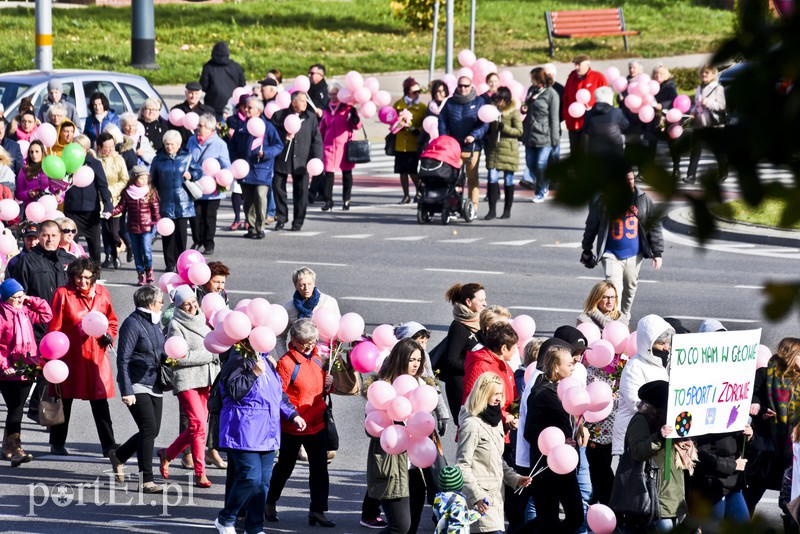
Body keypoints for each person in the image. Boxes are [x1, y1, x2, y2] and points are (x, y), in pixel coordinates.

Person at [214, 331, 305, 534]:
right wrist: (253, 373)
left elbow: (278, 395)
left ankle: (254, 527)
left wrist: (292, 415)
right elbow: (234, 392)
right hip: (243, 432)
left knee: (263, 484)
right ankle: (226, 519)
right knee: (250, 477)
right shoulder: (237, 360)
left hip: (267, 433)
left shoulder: (267, 362)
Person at [264, 319, 335, 526]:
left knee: (320, 468)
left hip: (317, 422)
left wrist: (328, 385)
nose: (310, 346)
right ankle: (270, 501)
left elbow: (320, 391)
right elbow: (280, 395)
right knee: (285, 467)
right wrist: (293, 416)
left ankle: (318, 510)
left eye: (313, 341)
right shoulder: (286, 363)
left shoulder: (318, 359)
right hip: (293, 425)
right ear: (294, 341)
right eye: (305, 342)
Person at [47, 257, 118, 457]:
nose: (83, 282)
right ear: (73, 276)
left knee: (100, 402)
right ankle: (57, 442)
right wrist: (51, 357)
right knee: (63, 400)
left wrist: (109, 336)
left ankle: (109, 445)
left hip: (95, 357)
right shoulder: (63, 294)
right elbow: (54, 328)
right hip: (69, 356)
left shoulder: (102, 293)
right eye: (79, 277)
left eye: (87, 277)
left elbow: (112, 321)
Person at [581, 169, 664, 321]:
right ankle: (614, 322)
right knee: (614, 289)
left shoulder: (643, 199)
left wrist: (657, 252)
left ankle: (624, 317)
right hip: (611, 254)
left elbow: (654, 225)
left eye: (630, 179)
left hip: (635, 254)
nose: (628, 183)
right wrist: (587, 248)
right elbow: (591, 225)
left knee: (630, 289)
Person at [158, 285, 219, 489]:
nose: (193, 306)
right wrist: (210, 355)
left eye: (194, 301)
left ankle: (167, 454)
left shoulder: (204, 318)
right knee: (199, 426)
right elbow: (177, 356)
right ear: (179, 306)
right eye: (187, 304)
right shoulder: (176, 324)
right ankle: (200, 473)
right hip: (186, 380)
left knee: (196, 426)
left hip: (206, 378)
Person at [523, 339, 585, 533]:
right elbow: (530, 432)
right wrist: (556, 443)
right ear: (556, 367)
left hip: (566, 465)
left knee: (576, 516)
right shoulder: (541, 393)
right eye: (569, 364)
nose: (574, 366)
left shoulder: (564, 389)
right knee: (547, 520)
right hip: (546, 467)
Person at [457, 372, 531, 532]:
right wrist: (476, 496)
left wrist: (515, 478)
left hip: (496, 498)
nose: (499, 398)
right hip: (481, 502)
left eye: (500, 393)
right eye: (495, 393)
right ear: (484, 393)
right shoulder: (471, 425)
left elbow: (497, 459)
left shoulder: (496, 421)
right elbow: (462, 466)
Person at [365, 338, 425, 534]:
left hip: (416, 466)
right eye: (411, 360)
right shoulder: (383, 388)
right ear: (400, 359)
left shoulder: (420, 385)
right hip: (391, 466)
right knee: (400, 527)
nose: (416, 364)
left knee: (411, 528)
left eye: (418, 359)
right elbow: (370, 427)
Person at [111, 285, 166, 493]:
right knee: (148, 429)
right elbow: (123, 359)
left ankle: (119, 456)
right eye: (160, 301)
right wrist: (127, 390)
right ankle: (146, 480)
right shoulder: (132, 324)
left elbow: (159, 350)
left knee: (152, 430)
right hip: (136, 382)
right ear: (151, 303)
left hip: (154, 383)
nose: (163, 304)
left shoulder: (156, 322)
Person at [622, 380, 692, 531]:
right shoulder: (642, 420)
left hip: (673, 494)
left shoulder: (670, 420)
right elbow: (638, 451)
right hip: (655, 495)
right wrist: (659, 437)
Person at [0, 278, 53, 466]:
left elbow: (46, 315)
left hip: (28, 367)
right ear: (6, 299)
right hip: (8, 371)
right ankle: (15, 449)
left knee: (17, 408)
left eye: (22, 297)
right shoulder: (1, 316)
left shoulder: (25, 310)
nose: (20, 301)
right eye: (16, 298)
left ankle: (7, 446)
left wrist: (30, 299)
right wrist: (4, 366)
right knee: (15, 408)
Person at [745, 337, 800, 511]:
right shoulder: (765, 373)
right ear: (790, 355)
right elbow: (749, 393)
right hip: (768, 446)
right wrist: (760, 408)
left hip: (791, 448)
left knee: (791, 498)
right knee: (752, 493)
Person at [611, 314, 674, 457]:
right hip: (634, 434)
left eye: (667, 343)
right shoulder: (635, 366)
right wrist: (665, 413)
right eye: (661, 344)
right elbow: (636, 403)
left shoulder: (666, 363)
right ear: (648, 344)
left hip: (656, 433)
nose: (666, 348)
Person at [150, 129, 203, 272]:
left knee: (181, 236)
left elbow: (199, 172)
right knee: (167, 235)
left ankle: (181, 263)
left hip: (183, 203)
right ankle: (169, 263)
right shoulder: (158, 159)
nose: (169, 147)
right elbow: (152, 179)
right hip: (165, 202)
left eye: (172, 144)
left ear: (179, 145)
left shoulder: (187, 157)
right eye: (167, 144)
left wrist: (191, 175)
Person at [272, 91, 323, 232]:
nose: (305, 103)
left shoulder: (311, 118)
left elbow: (316, 140)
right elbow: (272, 134)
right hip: (282, 158)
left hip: (302, 160)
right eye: (302, 101)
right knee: (278, 188)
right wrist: (284, 135)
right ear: (293, 102)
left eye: (305, 101)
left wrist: (317, 158)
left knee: (301, 192)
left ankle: (298, 221)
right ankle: (281, 217)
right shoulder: (279, 115)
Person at [435, 282, 486, 420]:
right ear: (468, 302)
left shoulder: (478, 322)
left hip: (476, 384)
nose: (485, 304)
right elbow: (451, 361)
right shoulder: (458, 327)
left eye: (485, 299)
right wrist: (476, 364)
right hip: (461, 388)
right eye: (481, 300)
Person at [438, 76, 489, 211]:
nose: (463, 88)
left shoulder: (479, 102)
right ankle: (455, 205)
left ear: (471, 86)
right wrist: (443, 137)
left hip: (472, 147)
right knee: (455, 179)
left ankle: (473, 206)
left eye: (466, 86)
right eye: (460, 86)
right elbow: (442, 120)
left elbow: (484, 124)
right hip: (454, 148)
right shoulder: (450, 102)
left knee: (472, 177)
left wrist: (474, 135)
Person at [237, 98, 283, 239]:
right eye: (246, 107)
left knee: (260, 197)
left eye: (250, 107)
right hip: (246, 169)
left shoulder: (267, 127)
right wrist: (236, 161)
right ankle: (251, 227)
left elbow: (278, 145)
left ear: (258, 110)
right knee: (248, 201)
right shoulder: (242, 127)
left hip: (262, 168)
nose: (246, 110)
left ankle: (260, 227)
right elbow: (234, 146)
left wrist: (266, 153)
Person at [461, 322, 519, 434]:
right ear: (504, 348)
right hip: (483, 432)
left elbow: (511, 397)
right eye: (514, 347)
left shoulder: (503, 365)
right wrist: (505, 417)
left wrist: (515, 413)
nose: (516, 351)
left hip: (498, 428)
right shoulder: (480, 367)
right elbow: (476, 402)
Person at [63, 134, 113, 263]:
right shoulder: (67, 163)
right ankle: (71, 270)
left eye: (79, 148)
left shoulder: (95, 164)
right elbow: (61, 183)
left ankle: (95, 272)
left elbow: (103, 186)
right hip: (72, 209)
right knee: (71, 243)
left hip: (90, 211)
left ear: (86, 149)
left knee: (94, 244)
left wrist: (108, 206)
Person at [693, 425, 753, 530]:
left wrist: (749, 437)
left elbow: (747, 452)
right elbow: (701, 455)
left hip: (734, 485)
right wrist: (733, 465)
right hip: (712, 486)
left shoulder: (736, 416)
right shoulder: (707, 420)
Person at [187, 113, 231, 255]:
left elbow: (226, 166)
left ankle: (208, 243)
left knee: (209, 216)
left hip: (213, 188)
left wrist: (223, 180)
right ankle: (197, 240)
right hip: (195, 186)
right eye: (198, 125)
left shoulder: (220, 144)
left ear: (210, 128)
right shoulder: (191, 141)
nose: (198, 128)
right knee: (195, 216)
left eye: (201, 126)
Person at [112, 165, 161, 285]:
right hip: (133, 227)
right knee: (137, 252)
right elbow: (121, 207)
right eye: (141, 178)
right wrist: (111, 212)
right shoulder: (128, 192)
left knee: (146, 250)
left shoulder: (150, 191)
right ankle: (140, 273)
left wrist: (157, 223)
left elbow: (155, 210)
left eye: (146, 178)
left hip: (147, 227)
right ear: (134, 178)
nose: (144, 181)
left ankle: (149, 270)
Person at [277, 266, 340, 356]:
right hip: (300, 359)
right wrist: (284, 358)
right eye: (302, 285)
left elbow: (338, 332)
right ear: (295, 286)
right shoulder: (289, 308)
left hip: (325, 358)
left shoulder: (328, 302)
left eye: (309, 284)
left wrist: (334, 355)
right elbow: (279, 337)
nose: (306, 288)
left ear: (314, 283)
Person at [521, 67, 560, 203]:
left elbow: (554, 118)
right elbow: (527, 105)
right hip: (530, 134)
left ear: (540, 78)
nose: (531, 80)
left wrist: (555, 139)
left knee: (540, 163)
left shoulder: (551, 94)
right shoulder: (532, 90)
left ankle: (541, 191)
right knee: (530, 163)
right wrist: (524, 108)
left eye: (533, 78)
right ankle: (543, 182)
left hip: (545, 135)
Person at [320, 82, 361, 211]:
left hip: (345, 146)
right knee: (329, 174)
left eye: (335, 94)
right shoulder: (326, 108)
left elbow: (357, 126)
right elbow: (322, 127)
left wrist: (354, 116)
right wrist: (318, 142)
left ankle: (346, 200)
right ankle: (328, 200)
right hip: (329, 146)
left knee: (346, 173)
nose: (333, 97)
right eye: (330, 94)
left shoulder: (347, 108)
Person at [483, 87, 522, 219]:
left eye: (501, 99)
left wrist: (504, 128)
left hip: (508, 150)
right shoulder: (492, 111)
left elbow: (519, 131)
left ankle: (507, 209)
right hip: (494, 149)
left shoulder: (513, 113)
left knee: (508, 180)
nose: (498, 102)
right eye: (497, 99)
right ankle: (492, 210)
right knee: (492, 178)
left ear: (506, 100)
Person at [685, 65, 729, 184]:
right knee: (695, 151)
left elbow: (721, 106)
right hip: (700, 124)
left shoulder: (717, 88)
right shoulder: (699, 87)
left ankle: (723, 172)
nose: (704, 75)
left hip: (713, 126)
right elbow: (697, 104)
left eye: (707, 73)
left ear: (713, 74)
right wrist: (693, 110)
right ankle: (691, 176)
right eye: (702, 73)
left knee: (717, 150)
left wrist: (708, 102)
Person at [95, 131, 129, 269]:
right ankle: (109, 255)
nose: (109, 150)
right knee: (105, 230)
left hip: (115, 199)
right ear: (99, 147)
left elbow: (125, 179)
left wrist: (111, 190)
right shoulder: (96, 160)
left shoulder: (118, 159)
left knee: (114, 230)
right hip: (99, 200)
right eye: (106, 147)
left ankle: (123, 250)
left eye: (111, 147)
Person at [392, 77, 427, 204]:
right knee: (402, 171)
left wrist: (414, 128)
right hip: (400, 143)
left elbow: (425, 125)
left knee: (412, 170)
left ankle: (420, 191)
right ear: (407, 92)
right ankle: (406, 195)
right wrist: (398, 125)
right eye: (414, 92)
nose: (417, 94)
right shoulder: (399, 105)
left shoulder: (422, 107)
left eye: (419, 92)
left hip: (414, 143)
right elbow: (391, 120)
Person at [562, 55, 608, 152]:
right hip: (573, 123)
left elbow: (606, 99)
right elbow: (566, 98)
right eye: (575, 64)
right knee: (574, 153)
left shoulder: (598, 77)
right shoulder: (571, 77)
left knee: (586, 152)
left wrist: (596, 111)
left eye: (579, 65)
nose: (576, 67)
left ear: (588, 64)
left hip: (590, 123)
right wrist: (567, 116)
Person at [200, 41, 246, 121]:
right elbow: (242, 85)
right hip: (233, 105)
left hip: (213, 106)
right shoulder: (236, 66)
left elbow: (203, 86)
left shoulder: (208, 67)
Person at [581, 86, 629, 157]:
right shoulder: (617, 112)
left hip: (594, 151)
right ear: (610, 97)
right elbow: (625, 126)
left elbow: (585, 131)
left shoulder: (588, 113)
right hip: (615, 150)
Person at [432, 465, 482, 533]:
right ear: (460, 484)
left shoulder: (440, 499)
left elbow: (462, 516)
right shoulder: (457, 502)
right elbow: (456, 524)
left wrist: (478, 513)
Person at [170, 82, 215, 148]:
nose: (193, 96)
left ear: (200, 94)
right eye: (191, 93)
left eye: (196, 93)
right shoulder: (176, 110)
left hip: (202, 147)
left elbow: (213, 133)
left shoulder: (208, 112)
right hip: (181, 148)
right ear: (186, 93)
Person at [15, 140, 49, 208]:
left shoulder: (49, 167)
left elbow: (57, 189)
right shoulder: (24, 170)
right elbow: (18, 194)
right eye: (31, 152)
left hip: (48, 207)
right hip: (31, 209)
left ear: (42, 152)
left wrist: (57, 196)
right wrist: (28, 193)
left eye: (37, 151)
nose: (34, 154)